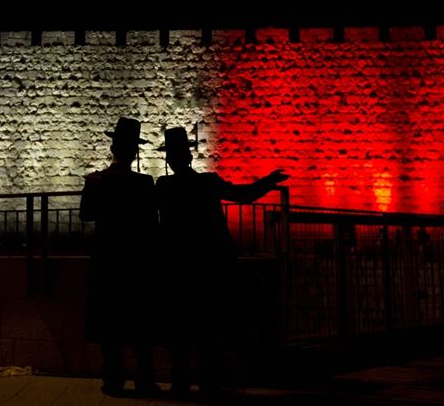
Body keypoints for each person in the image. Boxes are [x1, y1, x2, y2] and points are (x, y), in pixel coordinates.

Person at [155, 126, 289, 399]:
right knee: (208, 332)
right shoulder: (208, 182)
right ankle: (209, 385)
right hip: (210, 267)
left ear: (169, 160)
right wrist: (267, 182)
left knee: (179, 333)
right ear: (190, 157)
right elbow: (244, 195)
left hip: (177, 268)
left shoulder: (164, 186)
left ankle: (180, 385)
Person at [80, 117, 160, 397]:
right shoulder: (144, 183)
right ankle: (145, 380)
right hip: (136, 260)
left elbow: (86, 215)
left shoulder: (96, 181)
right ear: (133, 152)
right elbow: (152, 223)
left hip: (106, 259)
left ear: (112, 149)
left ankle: (113, 380)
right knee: (140, 325)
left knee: (110, 323)